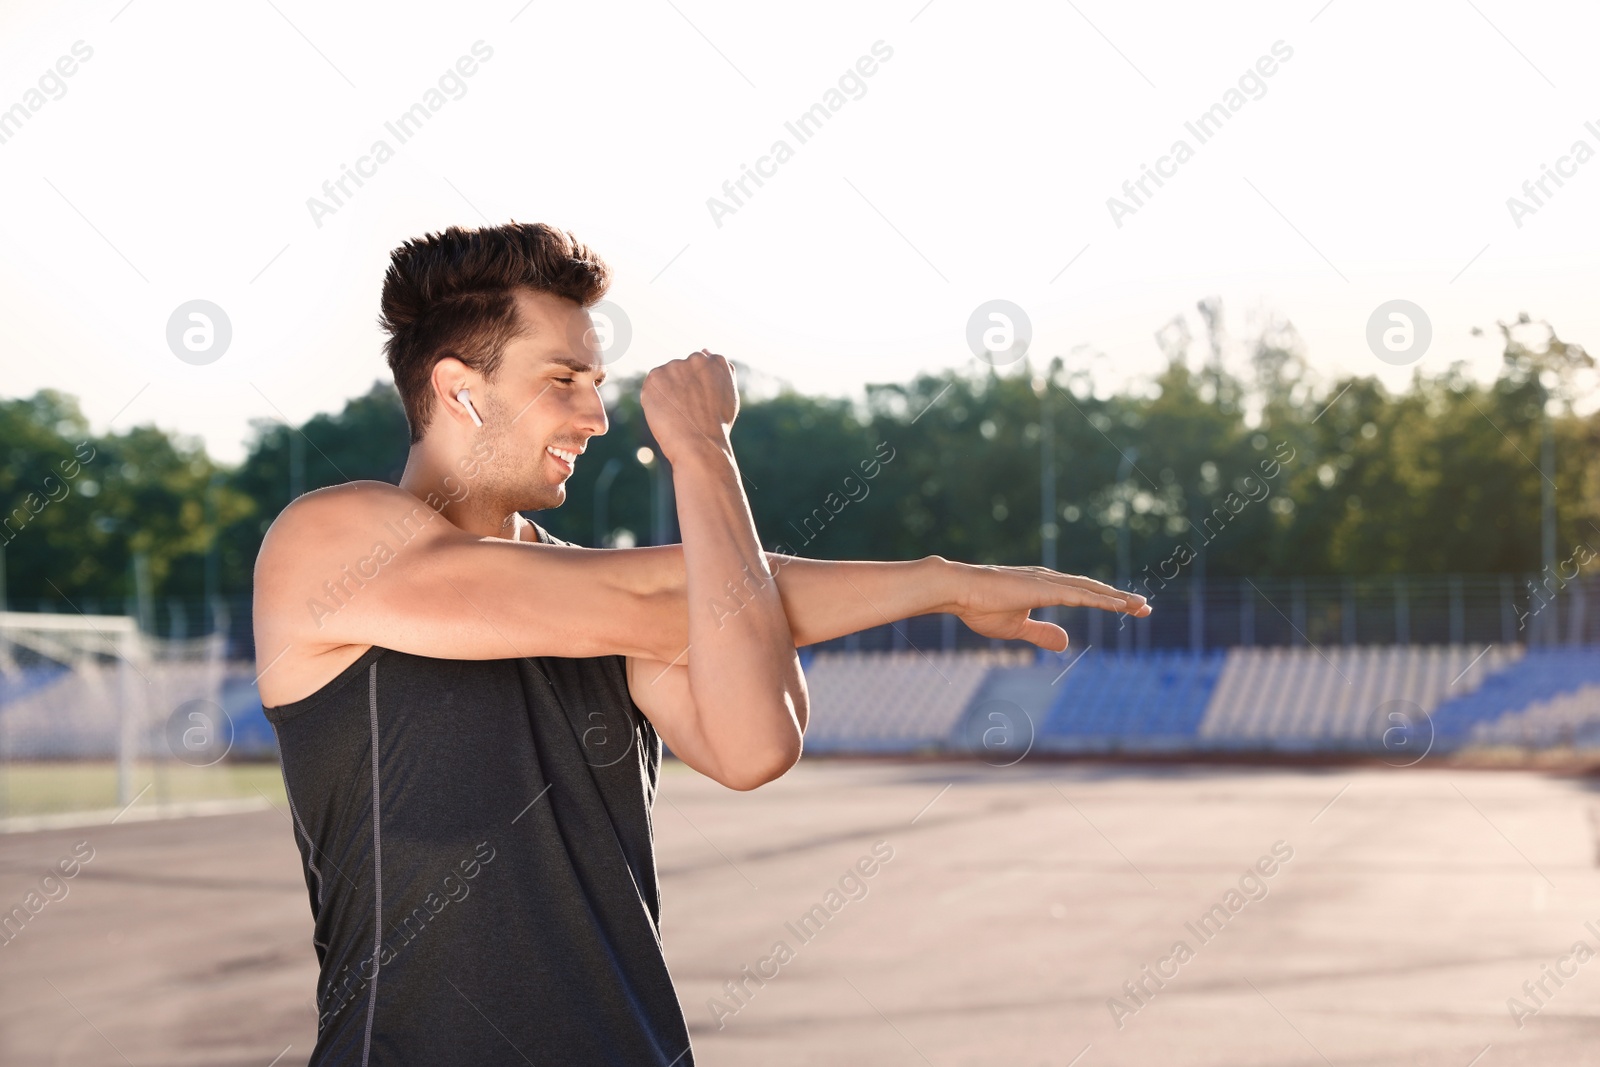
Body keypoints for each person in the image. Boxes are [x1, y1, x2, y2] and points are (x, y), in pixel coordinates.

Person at [251, 221, 1150, 1065]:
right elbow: (697, 589)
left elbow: (756, 742)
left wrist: (719, 472)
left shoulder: (618, 603)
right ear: (459, 389)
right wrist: (711, 454)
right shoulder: (331, 540)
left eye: (597, 383)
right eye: (562, 378)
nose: (596, 415)